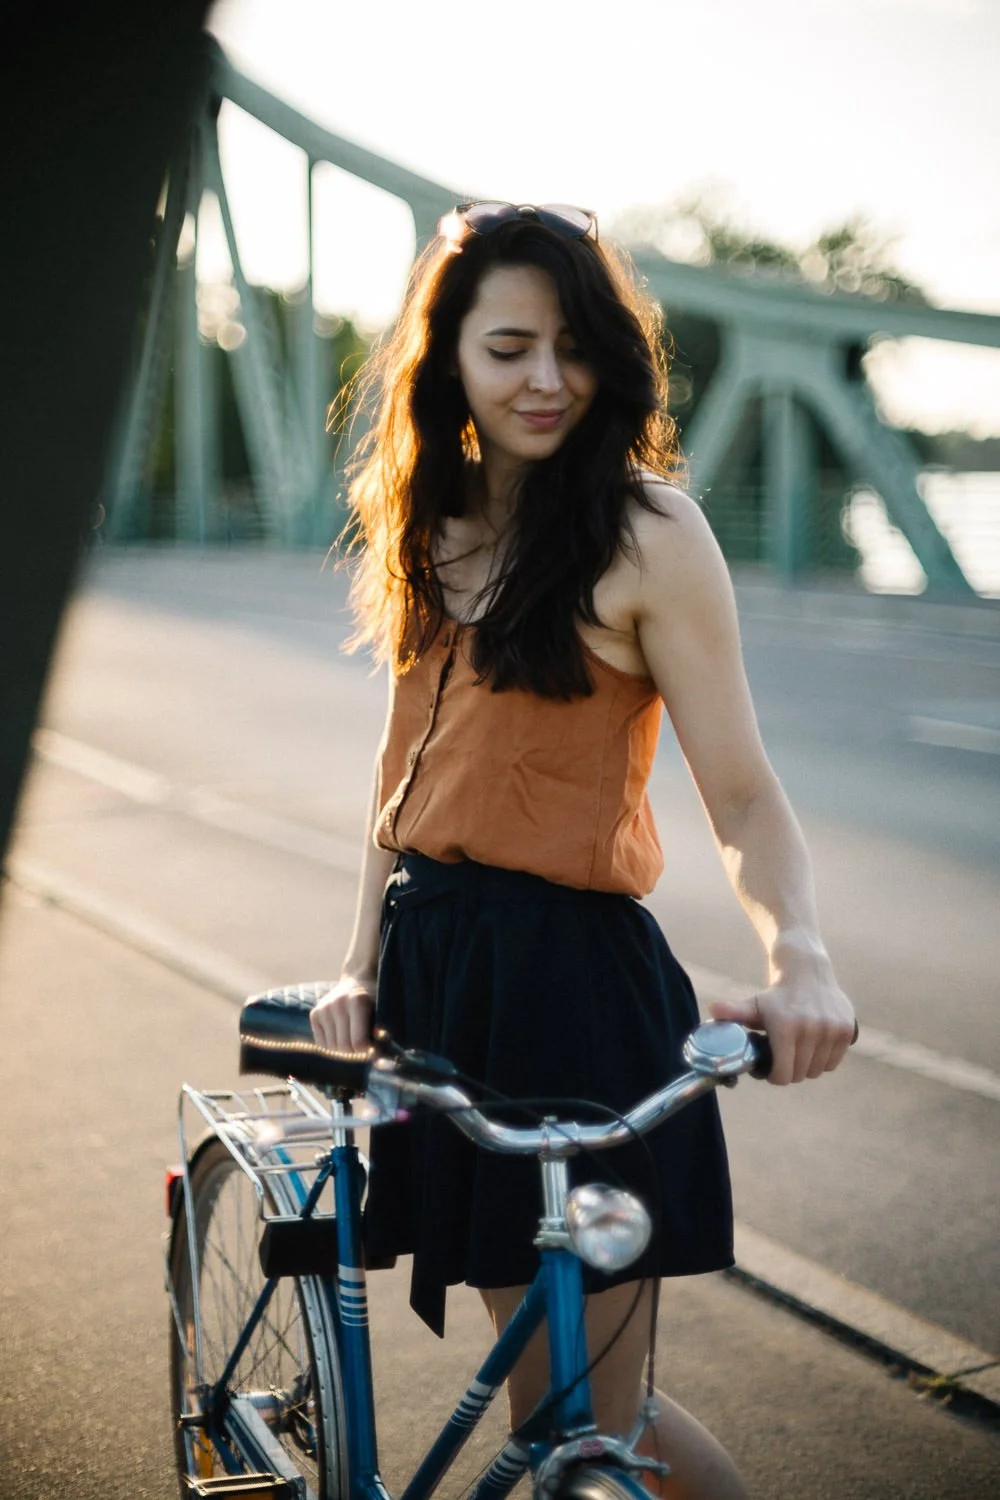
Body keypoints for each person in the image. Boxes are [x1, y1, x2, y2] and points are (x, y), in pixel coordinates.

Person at [310, 201, 856, 1500]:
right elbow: (400, 776)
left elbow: (741, 791)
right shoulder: (425, 520)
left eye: (573, 346)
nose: (545, 379)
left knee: (594, 1422)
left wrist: (806, 959)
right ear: (450, 358)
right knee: (539, 1397)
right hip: (444, 981)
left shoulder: (647, 533)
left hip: (573, 993)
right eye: (508, 347)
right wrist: (358, 963)